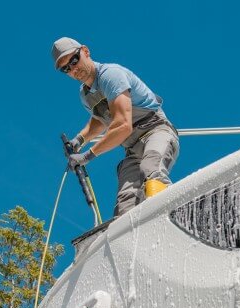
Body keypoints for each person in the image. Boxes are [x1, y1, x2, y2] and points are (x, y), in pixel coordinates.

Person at [52, 37, 179, 217]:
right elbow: (100, 119)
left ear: (86, 51)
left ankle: (169, 219)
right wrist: (79, 140)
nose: (73, 69)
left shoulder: (110, 75)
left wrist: (87, 156)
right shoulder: (85, 95)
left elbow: (122, 125)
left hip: (156, 131)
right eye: (66, 68)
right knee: (125, 203)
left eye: (74, 60)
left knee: (151, 171)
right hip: (133, 149)